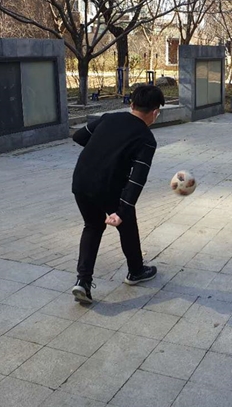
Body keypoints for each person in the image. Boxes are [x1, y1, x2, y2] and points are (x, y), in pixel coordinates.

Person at [70, 85, 165, 303]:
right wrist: (122, 210)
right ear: (155, 112)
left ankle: (83, 281)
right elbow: (137, 179)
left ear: (131, 105)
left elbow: (78, 136)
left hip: (81, 182)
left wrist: (102, 143)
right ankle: (136, 271)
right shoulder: (146, 139)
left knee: (93, 226)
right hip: (108, 188)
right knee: (127, 222)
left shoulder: (108, 119)